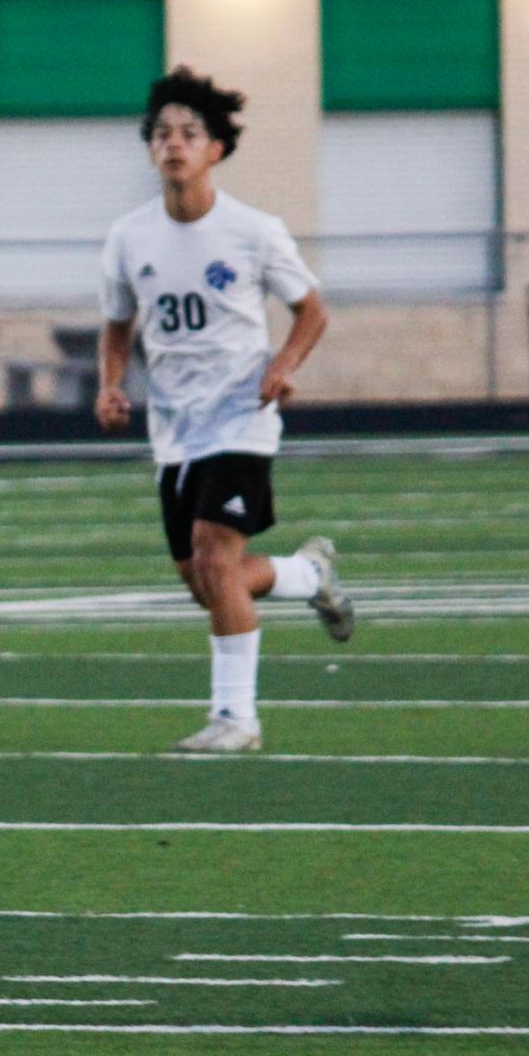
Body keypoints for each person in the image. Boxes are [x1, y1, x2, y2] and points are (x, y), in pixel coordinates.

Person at [95, 67, 354, 753]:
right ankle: (306, 575)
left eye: (188, 134)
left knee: (215, 559)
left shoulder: (253, 231)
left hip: (241, 417)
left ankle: (236, 720)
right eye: (161, 134)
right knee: (204, 583)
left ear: (215, 149)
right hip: (173, 429)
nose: (172, 144)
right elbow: (118, 323)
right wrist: (109, 383)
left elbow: (311, 310)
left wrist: (282, 365)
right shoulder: (127, 237)